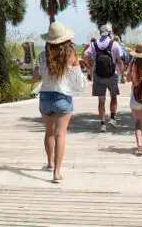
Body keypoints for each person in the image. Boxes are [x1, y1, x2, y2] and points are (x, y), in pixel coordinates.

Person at [31, 22, 86, 183]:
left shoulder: (42, 57)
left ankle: (49, 163)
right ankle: (56, 172)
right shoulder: (71, 55)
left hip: (45, 97)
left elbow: (35, 79)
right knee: (60, 134)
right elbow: (78, 80)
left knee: (49, 132)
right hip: (63, 97)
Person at [83, 25, 124, 132]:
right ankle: (113, 118)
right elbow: (120, 60)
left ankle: (102, 124)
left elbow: (85, 56)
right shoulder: (115, 44)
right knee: (113, 97)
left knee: (101, 101)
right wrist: (122, 75)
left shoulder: (94, 44)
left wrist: (90, 67)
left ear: (100, 33)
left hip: (98, 75)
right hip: (112, 75)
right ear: (110, 32)